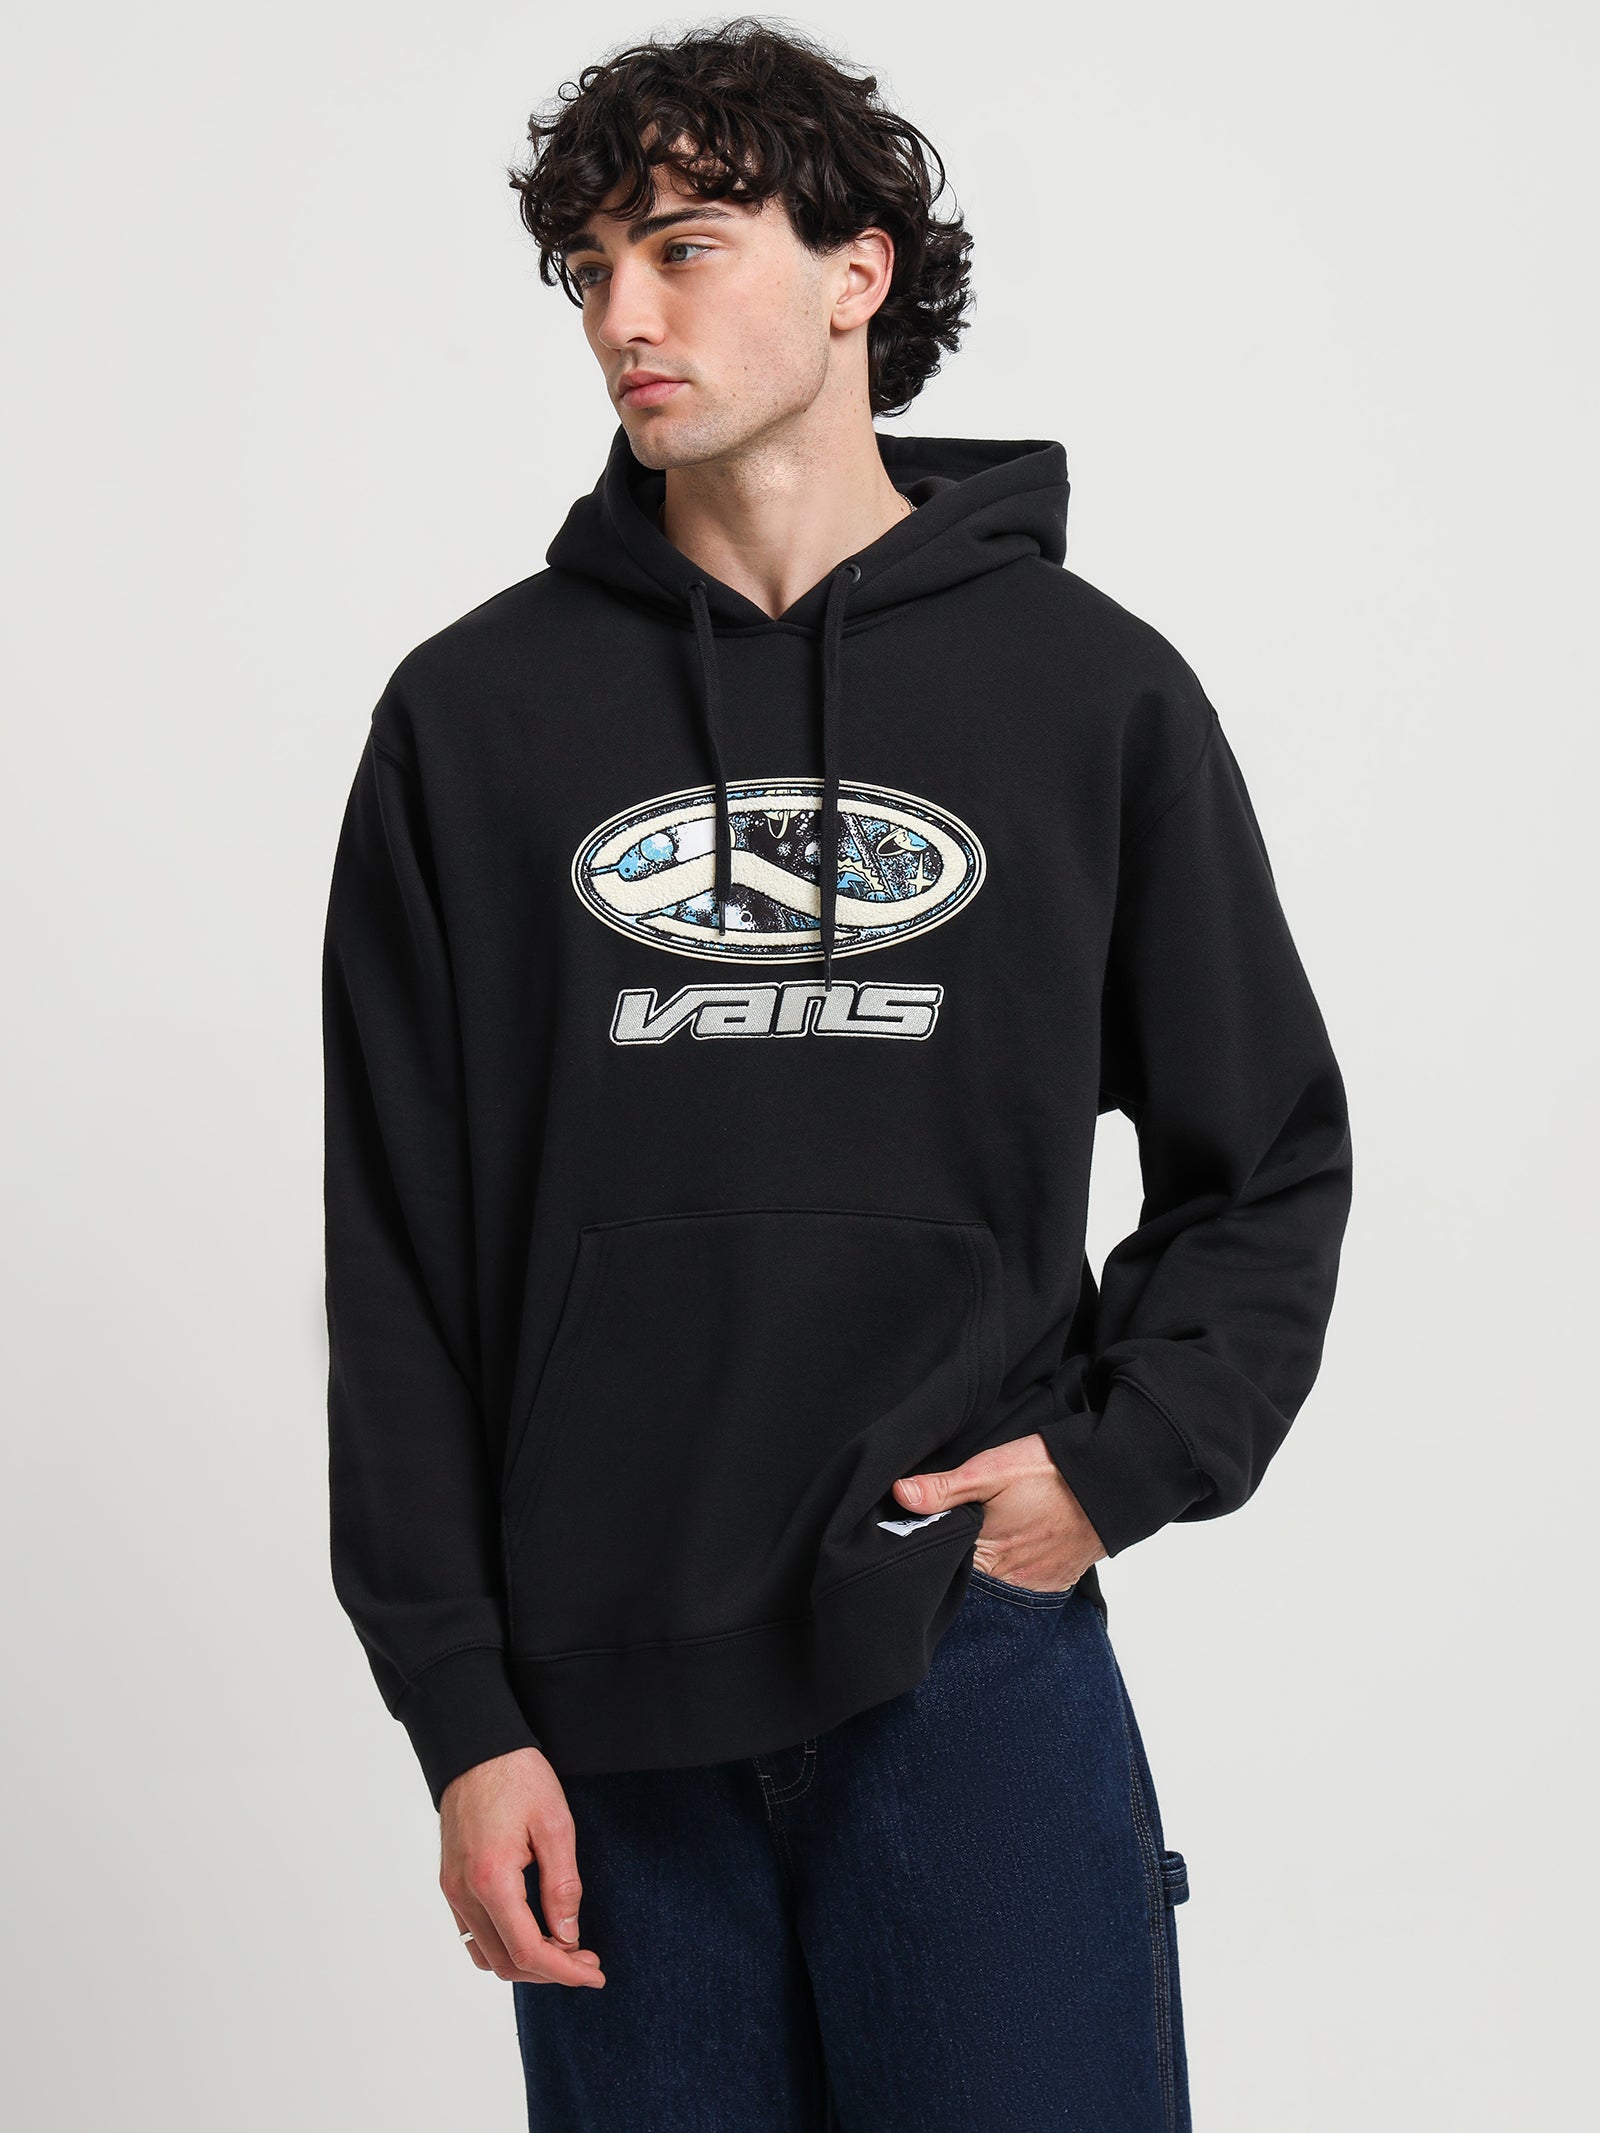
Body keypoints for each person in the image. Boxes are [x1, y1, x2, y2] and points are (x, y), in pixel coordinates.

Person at [321, 19, 1352, 2130]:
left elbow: (1262, 1153)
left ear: (855, 271)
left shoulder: (1090, 695)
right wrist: (461, 1713)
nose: (621, 315)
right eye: (589, 268)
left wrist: (1119, 1460)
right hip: (602, 1710)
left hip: (965, 1663)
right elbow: (399, 1259)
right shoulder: (471, 721)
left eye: (682, 247)